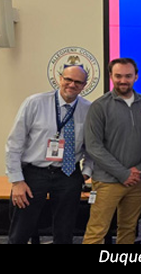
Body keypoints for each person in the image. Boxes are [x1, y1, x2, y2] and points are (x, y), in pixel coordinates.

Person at [5, 65, 92, 244]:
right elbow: (14, 143)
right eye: (68, 79)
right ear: (60, 79)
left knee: (65, 231)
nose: (71, 85)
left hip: (68, 174)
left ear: (84, 85)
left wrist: (86, 172)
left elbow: (92, 146)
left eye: (77, 82)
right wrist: (17, 181)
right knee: (21, 229)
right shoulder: (35, 103)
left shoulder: (89, 109)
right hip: (34, 174)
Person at [82, 58, 141, 244]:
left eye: (128, 76)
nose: (123, 80)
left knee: (128, 229)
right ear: (111, 76)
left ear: (136, 77)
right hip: (107, 181)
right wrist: (123, 173)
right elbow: (94, 146)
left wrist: (138, 170)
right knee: (96, 231)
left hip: (137, 181)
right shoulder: (99, 106)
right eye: (118, 76)